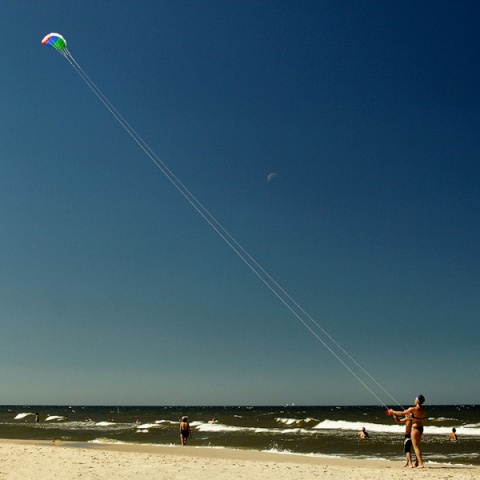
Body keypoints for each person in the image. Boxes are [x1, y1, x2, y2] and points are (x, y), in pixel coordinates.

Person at [388, 394, 426, 468]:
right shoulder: (423, 410)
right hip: (421, 428)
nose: (414, 400)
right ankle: (417, 463)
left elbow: (402, 413)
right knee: (417, 446)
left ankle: (421, 464)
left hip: (415, 428)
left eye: (415, 399)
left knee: (415, 447)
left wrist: (393, 412)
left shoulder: (413, 409)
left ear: (417, 401)